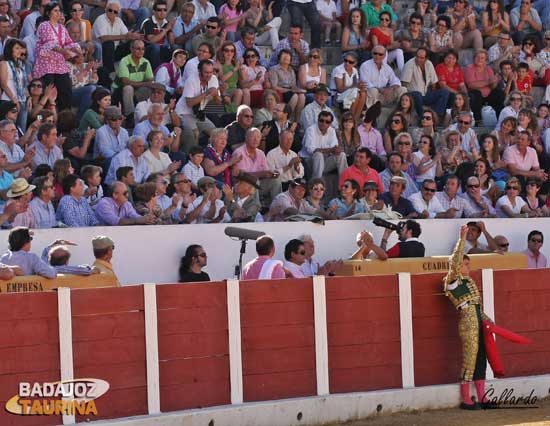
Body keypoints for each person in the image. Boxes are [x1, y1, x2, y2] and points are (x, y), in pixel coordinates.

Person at [443, 224, 494, 410]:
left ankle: (483, 397)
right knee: (470, 359)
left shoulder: (469, 281)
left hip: (478, 322)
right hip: (467, 323)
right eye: (465, 263)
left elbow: (476, 305)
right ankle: (466, 399)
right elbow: (455, 261)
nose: (467, 266)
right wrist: (462, 238)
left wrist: (487, 318)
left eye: (468, 263)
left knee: (481, 358)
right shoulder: (452, 279)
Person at [33, 2, 81, 112]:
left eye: (59, 10)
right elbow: (51, 44)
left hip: (59, 64)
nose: (59, 13)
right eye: (55, 10)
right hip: (46, 65)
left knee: (66, 90)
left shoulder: (62, 28)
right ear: (48, 13)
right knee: (48, 93)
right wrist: (65, 51)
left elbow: (68, 42)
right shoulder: (44, 25)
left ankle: (65, 120)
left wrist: (77, 49)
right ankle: (43, 120)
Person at [233, 127, 282, 206]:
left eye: (258, 137)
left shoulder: (261, 153)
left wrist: (271, 174)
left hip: (258, 184)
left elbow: (265, 172)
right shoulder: (239, 152)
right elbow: (241, 175)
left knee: (276, 180)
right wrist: (262, 174)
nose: (255, 139)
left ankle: (277, 207)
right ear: (246, 138)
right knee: (254, 181)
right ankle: (256, 208)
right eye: (253, 136)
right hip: (242, 185)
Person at [175, 59, 220, 145]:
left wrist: (216, 95)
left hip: (199, 113)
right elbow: (189, 103)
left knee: (215, 133)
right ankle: (192, 156)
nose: (209, 75)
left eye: (211, 72)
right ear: (199, 71)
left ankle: (211, 154)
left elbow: (218, 103)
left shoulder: (214, 79)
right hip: (184, 113)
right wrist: (206, 93)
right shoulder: (191, 80)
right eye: (206, 72)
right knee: (195, 134)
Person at [401, 48, 450, 119]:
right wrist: (407, 99)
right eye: (417, 56)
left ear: (426, 58)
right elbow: (404, 84)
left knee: (445, 92)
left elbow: (434, 83)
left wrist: (432, 95)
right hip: (413, 96)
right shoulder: (409, 64)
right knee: (417, 94)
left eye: (421, 58)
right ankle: (422, 118)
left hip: (425, 94)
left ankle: (436, 117)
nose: (418, 59)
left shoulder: (429, 64)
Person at [113, 39, 155, 120]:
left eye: (143, 49)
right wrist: (144, 83)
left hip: (137, 88)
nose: (141, 51)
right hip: (119, 90)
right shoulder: (124, 61)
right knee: (128, 88)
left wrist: (145, 84)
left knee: (150, 88)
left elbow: (151, 80)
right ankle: (130, 116)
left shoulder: (146, 62)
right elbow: (125, 82)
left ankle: (145, 115)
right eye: (138, 49)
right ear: (131, 49)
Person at [300, 110, 347, 179]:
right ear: (318, 120)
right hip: (308, 162)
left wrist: (337, 150)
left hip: (325, 162)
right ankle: (316, 184)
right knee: (318, 155)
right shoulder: (310, 130)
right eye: (321, 120)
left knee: (342, 155)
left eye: (327, 122)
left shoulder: (332, 131)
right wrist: (331, 150)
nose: (324, 123)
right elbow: (311, 150)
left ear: (330, 124)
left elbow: (334, 148)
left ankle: (345, 183)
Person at [464, 49, 505, 123]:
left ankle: (500, 118)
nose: (479, 59)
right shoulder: (469, 68)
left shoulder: (488, 69)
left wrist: (495, 81)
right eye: (477, 57)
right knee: (476, 94)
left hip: (488, 95)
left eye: (482, 58)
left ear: (486, 60)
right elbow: (471, 85)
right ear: (474, 58)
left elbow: (492, 86)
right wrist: (488, 82)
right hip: (475, 95)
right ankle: (477, 120)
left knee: (499, 93)